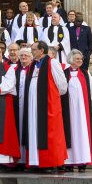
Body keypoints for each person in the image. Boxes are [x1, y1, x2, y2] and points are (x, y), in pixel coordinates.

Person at [16, 42, 68, 172]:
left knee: (49, 132)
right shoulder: (33, 64)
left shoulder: (52, 63)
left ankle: (49, 162)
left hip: (47, 103)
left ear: (42, 50)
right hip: (33, 104)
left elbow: (62, 86)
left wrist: (52, 98)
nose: (32, 51)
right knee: (33, 129)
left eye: (34, 49)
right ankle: (35, 162)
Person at [60, 50, 92, 171]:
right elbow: (61, 89)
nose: (80, 61)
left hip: (82, 111)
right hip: (68, 110)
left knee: (82, 132)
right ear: (71, 60)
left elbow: (91, 90)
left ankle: (82, 162)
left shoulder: (86, 73)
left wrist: (83, 103)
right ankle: (69, 162)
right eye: (77, 59)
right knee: (69, 132)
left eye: (81, 59)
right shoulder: (64, 73)